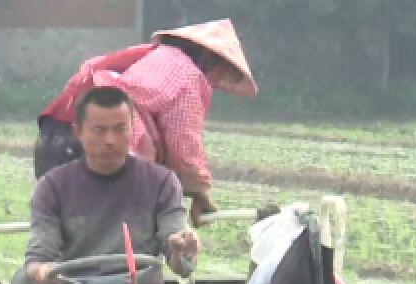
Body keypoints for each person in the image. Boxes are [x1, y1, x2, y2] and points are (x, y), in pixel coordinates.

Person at [0, 86, 200, 284]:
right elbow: (39, 256)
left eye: (120, 129)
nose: (110, 140)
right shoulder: (53, 187)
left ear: (132, 130)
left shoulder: (161, 182)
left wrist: (183, 246)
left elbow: (177, 253)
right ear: (78, 132)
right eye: (99, 130)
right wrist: (41, 272)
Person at [35, 18, 258, 227]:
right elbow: (183, 145)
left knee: (65, 231)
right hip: (103, 147)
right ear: (208, 57)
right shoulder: (188, 75)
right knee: (123, 234)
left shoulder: (148, 56)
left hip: (54, 138)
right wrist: (198, 192)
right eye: (220, 67)